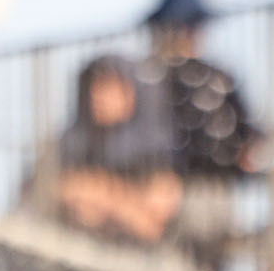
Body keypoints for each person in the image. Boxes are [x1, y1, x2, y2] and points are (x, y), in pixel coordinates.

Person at [141, 0, 257, 270]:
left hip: (216, 192)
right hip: (168, 194)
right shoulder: (149, 79)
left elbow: (248, 135)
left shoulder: (218, 78)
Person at [50, 55, 181, 247]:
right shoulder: (74, 141)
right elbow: (66, 190)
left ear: (130, 95)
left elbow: (158, 210)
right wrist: (126, 207)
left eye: (108, 89)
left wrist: (107, 197)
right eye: (94, 88)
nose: (98, 96)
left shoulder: (154, 145)